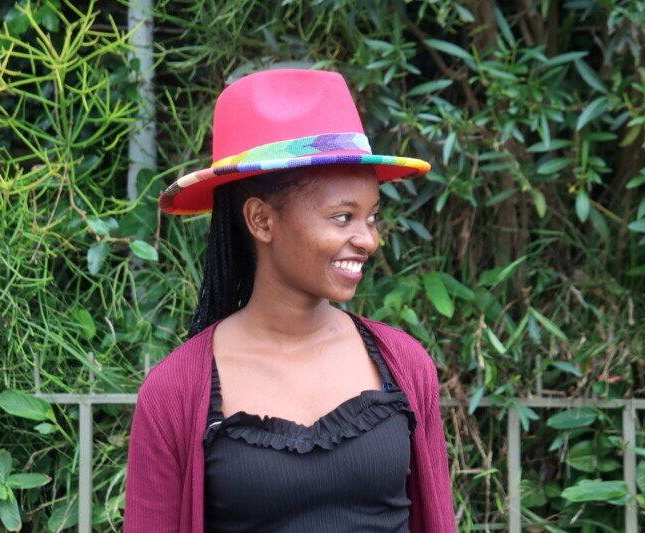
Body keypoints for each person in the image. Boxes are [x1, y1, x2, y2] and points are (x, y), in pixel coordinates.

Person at [125, 69, 456, 532]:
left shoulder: (405, 365)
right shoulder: (174, 394)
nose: (368, 240)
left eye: (372, 217)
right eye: (343, 217)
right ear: (261, 220)